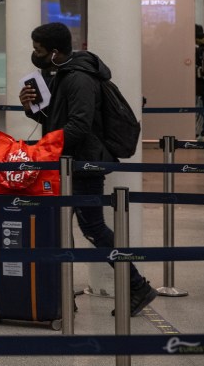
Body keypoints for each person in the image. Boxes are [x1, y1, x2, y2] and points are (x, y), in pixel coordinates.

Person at [19, 22, 157, 317]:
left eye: (39, 50)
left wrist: (46, 147)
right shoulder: (62, 74)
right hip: (67, 163)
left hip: (82, 165)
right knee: (59, 227)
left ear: (55, 52)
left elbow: (79, 126)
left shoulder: (79, 78)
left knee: (93, 227)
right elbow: (56, 119)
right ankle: (62, 290)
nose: (35, 54)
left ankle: (136, 286)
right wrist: (31, 108)